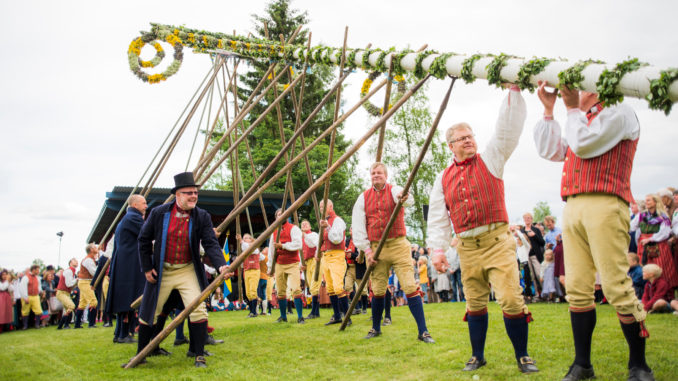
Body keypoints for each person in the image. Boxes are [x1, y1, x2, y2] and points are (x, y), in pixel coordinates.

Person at [534, 81, 652, 380]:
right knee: (576, 286)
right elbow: (550, 150)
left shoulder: (619, 112)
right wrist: (549, 111)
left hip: (606, 203)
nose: (574, 92)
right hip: (572, 205)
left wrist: (571, 108)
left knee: (615, 285)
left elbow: (584, 144)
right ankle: (582, 364)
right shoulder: (580, 120)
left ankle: (639, 365)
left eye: (582, 87)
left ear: (597, 90)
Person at [428, 85, 537, 373]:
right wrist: (437, 251)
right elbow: (438, 218)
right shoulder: (442, 179)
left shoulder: (492, 159)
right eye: (461, 139)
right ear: (450, 146)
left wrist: (513, 93)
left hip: (498, 242)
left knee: (512, 299)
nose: (468, 141)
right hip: (466, 249)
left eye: (470, 136)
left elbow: (506, 130)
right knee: (474, 303)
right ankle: (477, 355)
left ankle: (523, 356)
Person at [135, 172, 229, 368]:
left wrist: (221, 265)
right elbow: (143, 240)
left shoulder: (202, 216)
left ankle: (199, 355)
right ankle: (141, 355)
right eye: (189, 193)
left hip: (187, 269)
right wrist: (146, 268)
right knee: (150, 312)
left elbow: (210, 243)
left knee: (198, 309)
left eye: (196, 192)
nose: (194, 196)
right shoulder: (159, 213)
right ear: (177, 195)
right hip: (163, 270)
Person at [352, 162, 433, 343]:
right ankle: (376, 328)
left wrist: (402, 196)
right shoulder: (363, 198)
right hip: (375, 248)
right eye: (373, 173)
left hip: (398, 245)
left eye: (380, 173)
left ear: (386, 175)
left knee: (410, 286)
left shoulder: (393, 190)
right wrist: (367, 250)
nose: (376, 175)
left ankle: (423, 331)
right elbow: (357, 227)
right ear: (370, 176)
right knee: (378, 289)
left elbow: (408, 199)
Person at [107, 195, 148, 343]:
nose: (146, 206)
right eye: (144, 203)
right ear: (135, 204)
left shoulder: (127, 218)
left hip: (124, 263)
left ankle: (121, 333)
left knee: (126, 298)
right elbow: (147, 233)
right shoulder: (133, 218)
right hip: (129, 264)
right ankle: (124, 334)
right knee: (129, 299)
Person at [630, 194, 678, 289]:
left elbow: (665, 232)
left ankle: (664, 290)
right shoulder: (642, 215)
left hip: (659, 245)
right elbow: (632, 226)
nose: (646, 202)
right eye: (646, 200)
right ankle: (647, 291)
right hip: (643, 244)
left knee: (661, 268)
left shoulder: (663, 217)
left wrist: (651, 239)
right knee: (644, 267)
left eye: (649, 200)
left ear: (655, 202)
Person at [315, 199, 350, 325]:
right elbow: (322, 240)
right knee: (330, 288)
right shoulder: (324, 222)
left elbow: (336, 239)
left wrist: (327, 227)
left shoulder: (337, 220)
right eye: (320, 206)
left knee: (338, 287)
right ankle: (337, 316)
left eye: (324, 206)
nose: (321, 208)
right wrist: (317, 253)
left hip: (337, 255)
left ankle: (347, 317)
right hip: (326, 256)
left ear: (331, 206)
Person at [267, 209, 304, 324]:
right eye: (278, 214)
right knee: (280, 291)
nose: (281, 216)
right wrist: (270, 267)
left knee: (296, 289)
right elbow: (271, 251)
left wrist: (283, 246)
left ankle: (300, 317)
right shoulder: (274, 232)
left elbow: (298, 244)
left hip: (292, 263)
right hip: (279, 264)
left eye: (283, 214)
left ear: (287, 216)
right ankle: (283, 316)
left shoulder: (294, 228)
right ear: (276, 218)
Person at [239, 233, 264, 317]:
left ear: (251, 239)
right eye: (244, 238)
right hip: (247, 271)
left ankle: (254, 312)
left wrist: (241, 241)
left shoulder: (254, 247)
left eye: (247, 238)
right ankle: (252, 311)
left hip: (254, 270)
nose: (245, 239)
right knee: (248, 293)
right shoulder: (244, 249)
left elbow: (261, 257)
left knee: (253, 291)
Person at [74, 244, 99, 329]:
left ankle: (77, 324)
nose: (97, 248)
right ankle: (91, 323)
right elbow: (93, 272)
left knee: (82, 303)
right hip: (85, 282)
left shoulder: (90, 259)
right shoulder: (88, 260)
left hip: (85, 281)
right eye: (95, 247)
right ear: (91, 249)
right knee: (93, 301)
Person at [300, 220, 321, 319]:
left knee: (314, 286)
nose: (304, 225)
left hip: (314, 260)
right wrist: (301, 264)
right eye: (302, 224)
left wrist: (317, 256)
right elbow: (299, 252)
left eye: (306, 224)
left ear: (310, 226)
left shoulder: (313, 235)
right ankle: (316, 312)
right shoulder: (301, 239)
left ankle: (314, 311)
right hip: (307, 262)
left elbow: (316, 244)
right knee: (310, 285)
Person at [521, 213, 544, 299]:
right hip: (526, 256)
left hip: (535, 255)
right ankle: (537, 296)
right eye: (525, 218)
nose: (527, 219)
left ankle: (546, 294)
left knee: (539, 274)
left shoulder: (536, 230)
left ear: (531, 219)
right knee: (532, 277)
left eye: (529, 218)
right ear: (523, 219)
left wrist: (534, 236)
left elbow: (542, 242)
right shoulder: (522, 231)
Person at [345, 228, 368, 314]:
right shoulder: (347, 240)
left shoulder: (361, 241)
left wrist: (352, 255)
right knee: (347, 287)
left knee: (363, 289)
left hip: (359, 267)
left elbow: (363, 256)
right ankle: (357, 307)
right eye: (350, 229)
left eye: (353, 229)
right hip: (349, 267)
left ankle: (364, 308)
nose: (351, 231)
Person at [55, 258, 78, 329]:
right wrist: (76, 280)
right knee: (71, 306)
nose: (76, 262)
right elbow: (68, 284)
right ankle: (61, 324)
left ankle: (65, 325)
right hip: (62, 292)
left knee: (69, 308)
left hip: (65, 292)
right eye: (74, 260)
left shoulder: (72, 271)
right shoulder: (69, 271)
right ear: (70, 263)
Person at [20, 265, 44, 329]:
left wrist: (41, 292)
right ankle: (25, 325)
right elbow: (23, 288)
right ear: (33, 270)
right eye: (37, 270)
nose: (38, 271)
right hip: (28, 295)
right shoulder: (26, 277)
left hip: (35, 296)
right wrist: (25, 297)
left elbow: (39, 286)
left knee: (38, 310)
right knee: (25, 311)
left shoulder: (37, 278)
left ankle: (37, 324)